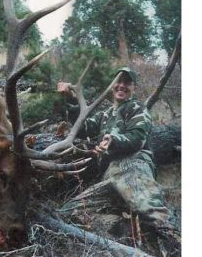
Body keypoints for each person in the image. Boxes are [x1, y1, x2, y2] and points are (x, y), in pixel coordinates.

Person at [57, 67, 180, 254]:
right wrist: (71, 99)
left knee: (154, 214)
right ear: (112, 85)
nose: (121, 85)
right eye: (118, 81)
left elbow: (137, 138)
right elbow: (83, 128)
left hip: (132, 167)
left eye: (127, 82)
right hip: (108, 176)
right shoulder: (105, 115)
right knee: (68, 213)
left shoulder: (136, 108)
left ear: (134, 88)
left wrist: (112, 140)